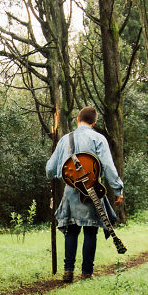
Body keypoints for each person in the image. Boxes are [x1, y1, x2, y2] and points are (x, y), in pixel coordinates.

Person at [46, 106, 124, 282]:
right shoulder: (98, 138)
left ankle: (68, 271)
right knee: (90, 232)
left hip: (70, 194)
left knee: (71, 231)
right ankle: (86, 273)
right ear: (94, 122)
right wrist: (118, 189)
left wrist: (55, 174)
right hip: (92, 192)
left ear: (77, 120)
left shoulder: (65, 139)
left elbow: (50, 169)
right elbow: (109, 168)